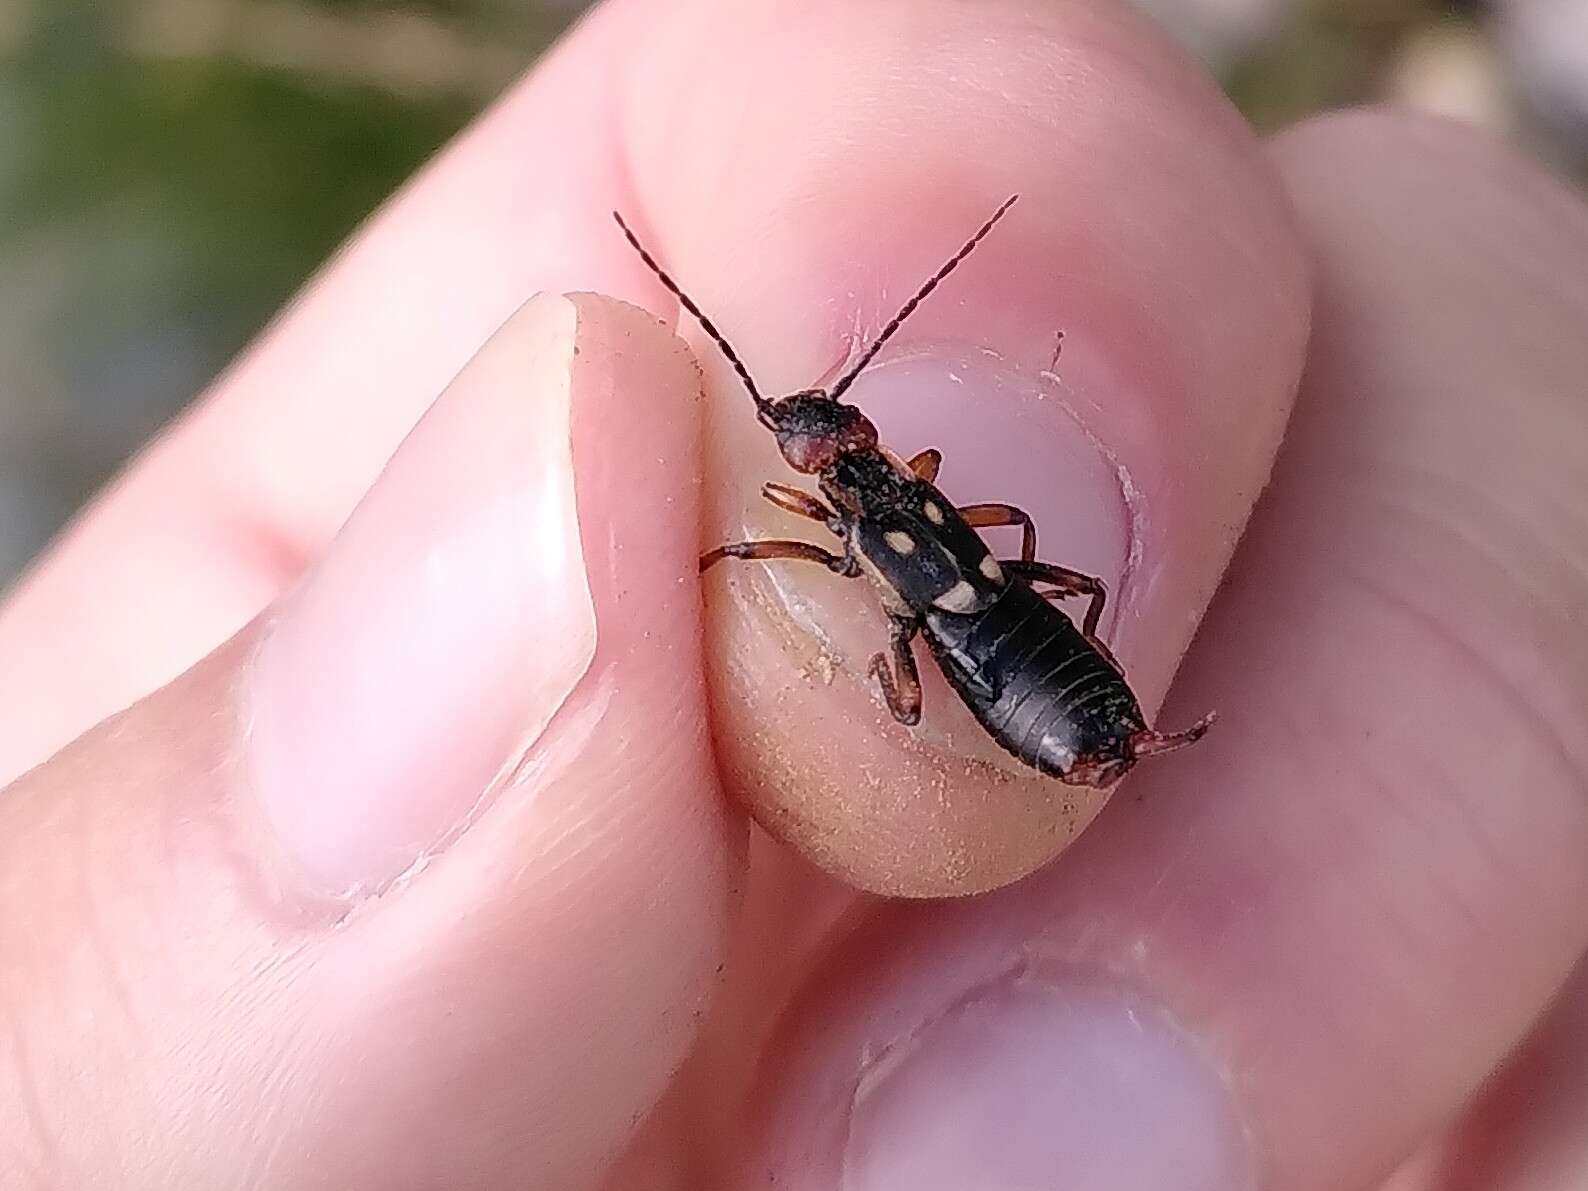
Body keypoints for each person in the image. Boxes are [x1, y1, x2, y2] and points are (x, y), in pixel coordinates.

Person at [2, 1, 1586, 1187]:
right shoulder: (875, 498)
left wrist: (852, 624)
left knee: (979, 591)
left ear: (835, 452)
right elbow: (919, 553)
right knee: (997, 589)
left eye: (815, 431)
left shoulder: (838, 510)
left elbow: (857, 555)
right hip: (1006, 649)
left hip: (990, 651)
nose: (808, 441)